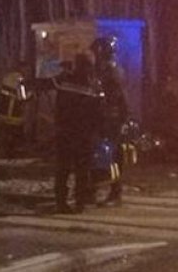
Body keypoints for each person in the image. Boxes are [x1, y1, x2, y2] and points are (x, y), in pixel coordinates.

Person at [45, 54, 103, 213]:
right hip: (84, 134)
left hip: (65, 132)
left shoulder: (65, 80)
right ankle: (80, 202)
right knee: (82, 169)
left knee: (63, 169)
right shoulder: (93, 85)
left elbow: (46, 85)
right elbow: (98, 111)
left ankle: (61, 202)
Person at [92, 36, 129, 205]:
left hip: (109, 119)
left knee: (111, 155)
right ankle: (99, 190)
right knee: (104, 155)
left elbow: (117, 97)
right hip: (107, 118)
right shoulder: (109, 69)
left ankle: (115, 192)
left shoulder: (109, 71)